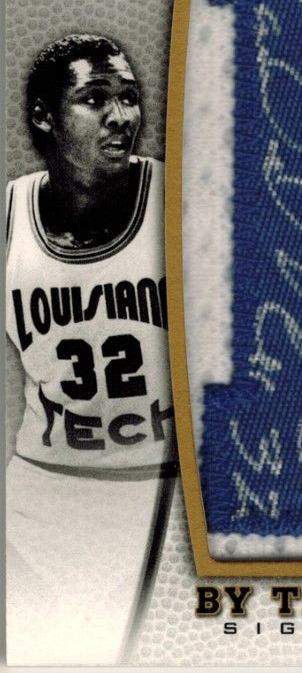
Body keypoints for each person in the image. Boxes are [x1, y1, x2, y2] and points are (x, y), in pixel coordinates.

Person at [5, 33, 175, 665]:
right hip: (44, 508)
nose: (121, 116)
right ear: (45, 116)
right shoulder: (10, 220)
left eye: (129, 97)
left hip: (164, 502)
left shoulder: (182, 200)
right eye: (95, 98)